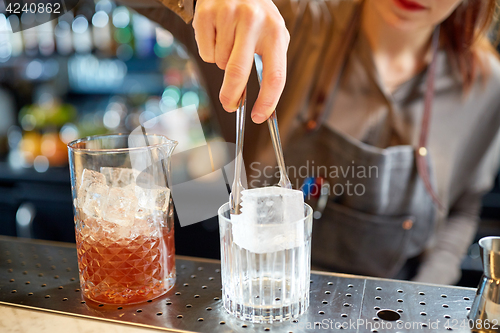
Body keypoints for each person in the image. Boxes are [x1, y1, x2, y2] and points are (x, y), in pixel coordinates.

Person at [123, 0, 500, 285]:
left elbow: (462, 210)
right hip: (260, 289)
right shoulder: (289, 18)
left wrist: (421, 302)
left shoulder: (485, 86)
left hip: (387, 305)